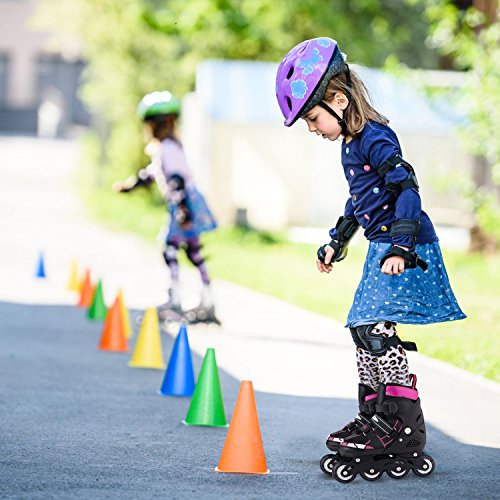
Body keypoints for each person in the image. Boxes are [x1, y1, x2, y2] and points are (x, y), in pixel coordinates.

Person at [275, 37, 466, 482]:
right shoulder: (351, 143)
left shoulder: (375, 137)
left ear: (339, 100)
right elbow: (360, 200)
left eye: (313, 117)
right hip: (382, 247)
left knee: (376, 329)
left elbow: (406, 189)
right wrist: (337, 240)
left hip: (405, 247)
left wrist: (401, 245)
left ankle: (400, 423)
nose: (312, 127)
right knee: (363, 329)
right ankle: (376, 414)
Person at [113, 91, 220, 325]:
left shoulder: (167, 148)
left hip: (184, 203)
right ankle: (207, 300)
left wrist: (182, 210)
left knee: (170, 250)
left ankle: (174, 300)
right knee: (194, 253)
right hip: (186, 203)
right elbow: (152, 174)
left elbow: (176, 179)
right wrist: (130, 186)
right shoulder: (168, 147)